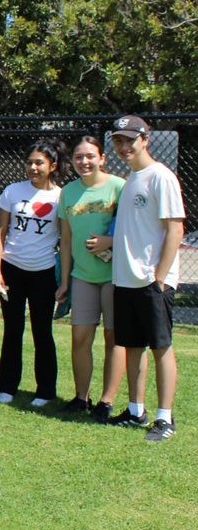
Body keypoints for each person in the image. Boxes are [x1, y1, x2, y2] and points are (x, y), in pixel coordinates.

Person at [108, 115, 185, 441]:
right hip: (125, 279)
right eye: (119, 141)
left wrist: (159, 276)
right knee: (133, 347)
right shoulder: (131, 179)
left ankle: (165, 418)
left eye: (130, 140)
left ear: (145, 139)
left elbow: (175, 229)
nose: (124, 146)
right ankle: (136, 411)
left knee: (161, 347)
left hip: (151, 282)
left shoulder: (160, 177)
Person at [54, 136, 127, 422]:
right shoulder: (68, 192)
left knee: (113, 337)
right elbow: (67, 238)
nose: (84, 162)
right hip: (82, 276)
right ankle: (81, 398)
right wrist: (65, 281)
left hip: (114, 275)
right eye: (78, 157)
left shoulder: (119, 187)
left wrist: (109, 241)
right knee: (80, 337)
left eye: (90, 156)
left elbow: (132, 229)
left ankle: (107, 401)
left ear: (102, 158)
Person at [0, 138, 68, 407]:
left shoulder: (61, 197)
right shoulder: (13, 191)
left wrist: (65, 280)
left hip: (43, 272)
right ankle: (7, 387)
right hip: (12, 270)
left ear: (53, 165)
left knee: (42, 331)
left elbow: (66, 240)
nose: (33, 167)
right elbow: (0, 232)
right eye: (29, 162)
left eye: (39, 163)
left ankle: (45, 391)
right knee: (12, 329)